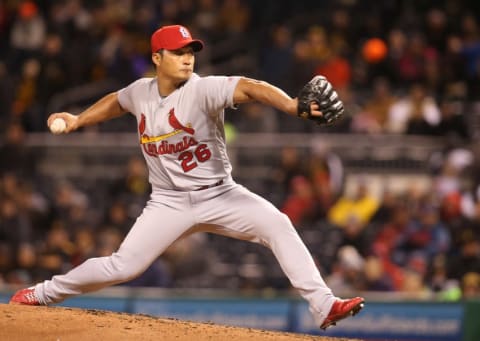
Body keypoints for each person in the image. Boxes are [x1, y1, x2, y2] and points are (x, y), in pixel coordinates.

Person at [9, 24, 364, 330]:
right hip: (168, 202)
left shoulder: (203, 89)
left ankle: (324, 304)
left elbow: (251, 86)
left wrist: (289, 104)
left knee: (278, 224)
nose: (187, 57)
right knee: (122, 265)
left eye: (190, 50)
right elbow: (116, 101)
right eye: (178, 52)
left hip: (221, 195)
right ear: (157, 58)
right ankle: (40, 293)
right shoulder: (140, 92)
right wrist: (78, 119)